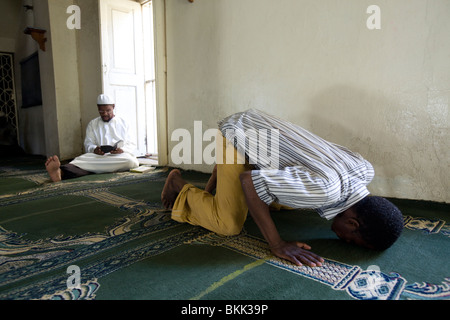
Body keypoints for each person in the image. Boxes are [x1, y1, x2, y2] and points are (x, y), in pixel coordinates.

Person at [161, 109, 404, 267]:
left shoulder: (364, 170)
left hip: (260, 129)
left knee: (290, 198)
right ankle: (179, 186)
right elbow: (248, 181)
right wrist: (277, 243)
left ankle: (222, 178)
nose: (344, 240)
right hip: (239, 133)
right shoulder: (324, 190)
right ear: (353, 224)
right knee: (228, 223)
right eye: (351, 240)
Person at [45, 94, 139, 182]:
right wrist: (95, 149)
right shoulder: (93, 124)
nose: (105, 113)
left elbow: (132, 143)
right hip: (98, 157)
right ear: (98, 109)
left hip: (118, 157)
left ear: (113, 107)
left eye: (108, 110)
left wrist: (121, 150)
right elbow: (88, 143)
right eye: (101, 111)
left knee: (131, 161)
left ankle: (93, 168)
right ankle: (59, 172)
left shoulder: (124, 123)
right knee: (79, 160)